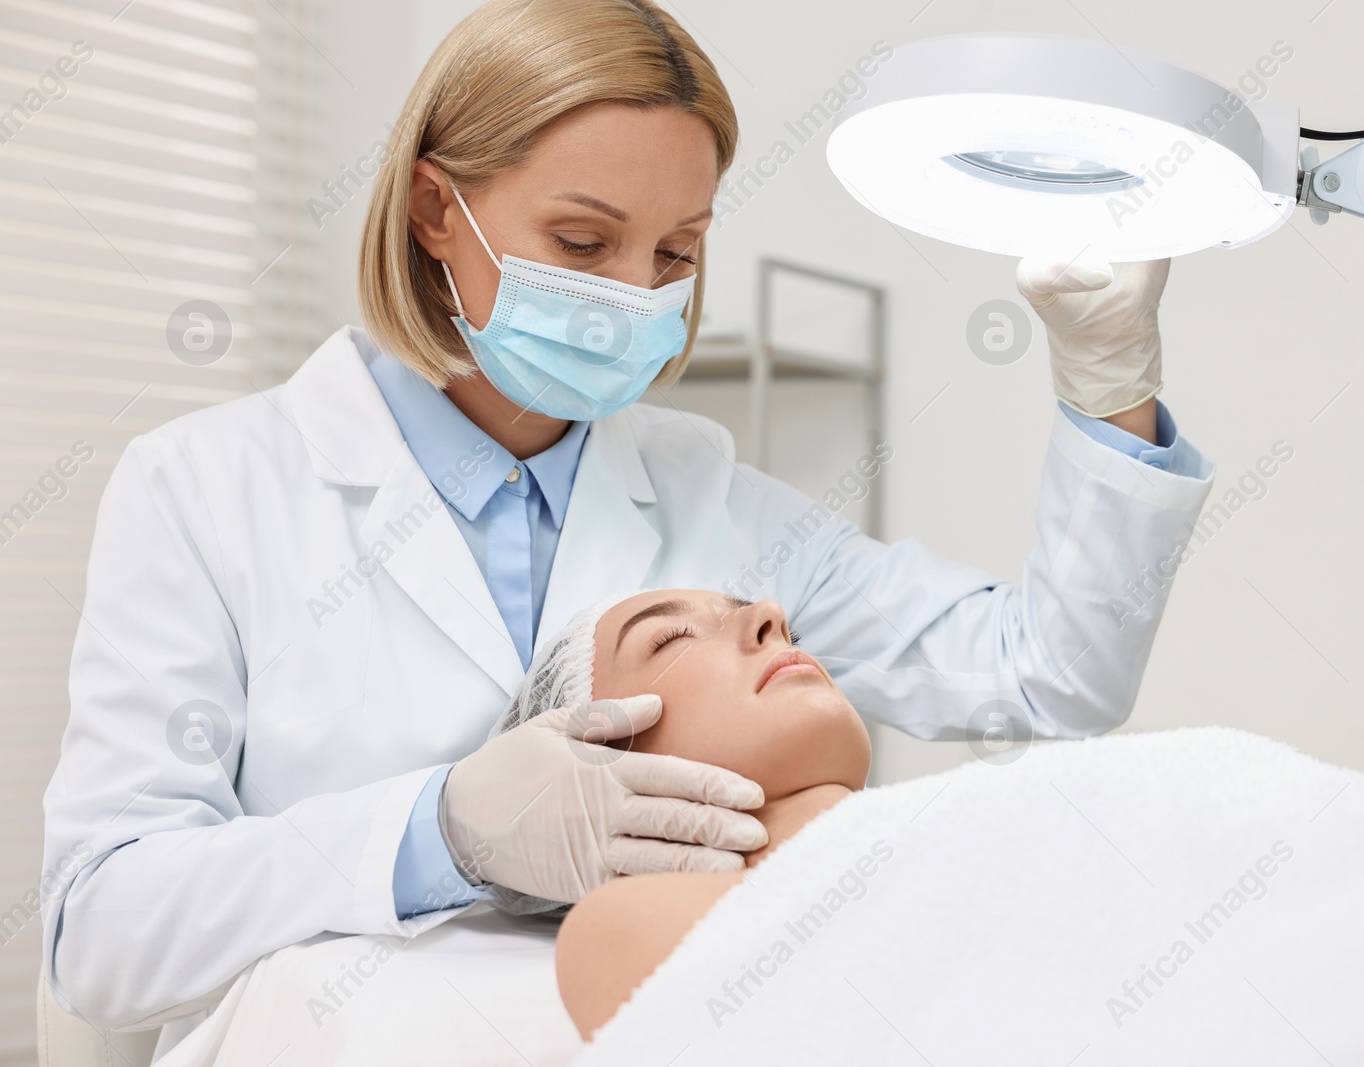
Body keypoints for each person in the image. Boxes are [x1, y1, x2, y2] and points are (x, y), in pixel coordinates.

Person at [40, 0, 1214, 1044]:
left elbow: (1046, 676)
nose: (632, 293)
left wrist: (1107, 377)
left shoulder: (706, 495)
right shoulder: (204, 488)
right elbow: (99, 928)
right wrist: (437, 832)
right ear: (435, 210)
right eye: (583, 243)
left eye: (676, 252)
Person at [481, 586, 873, 1041]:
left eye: (796, 636)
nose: (773, 615)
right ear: (594, 764)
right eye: (674, 637)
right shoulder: (623, 936)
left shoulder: (954, 813)